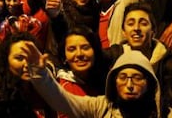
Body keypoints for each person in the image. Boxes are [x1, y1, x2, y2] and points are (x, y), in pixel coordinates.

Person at [24, 46, 162, 118]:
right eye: (123, 77)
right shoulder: (101, 106)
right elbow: (62, 101)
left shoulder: (168, 115)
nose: (130, 85)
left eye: (137, 78)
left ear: (149, 82)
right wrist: (39, 73)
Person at [0, 32, 54, 118]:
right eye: (19, 58)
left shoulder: (37, 88)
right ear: (6, 60)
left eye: (31, 58)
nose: (26, 64)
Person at [56, 27, 109, 114]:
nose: (79, 54)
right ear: (64, 57)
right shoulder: (64, 89)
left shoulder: (108, 78)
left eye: (85, 48)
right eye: (72, 49)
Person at [104, 2, 168, 72]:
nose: (136, 28)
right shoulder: (114, 56)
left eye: (143, 24)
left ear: (153, 31)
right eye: (130, 24)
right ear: (123, 31)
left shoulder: (166, 62)